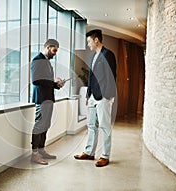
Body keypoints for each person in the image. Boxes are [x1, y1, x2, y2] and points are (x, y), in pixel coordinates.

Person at [74, 29, 117, 167]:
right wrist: (88, 95)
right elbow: (91, 77)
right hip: (92, 96)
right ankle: (89, 152)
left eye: (89, 41)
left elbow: (112, 76)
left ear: (96, 40)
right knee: (91, 125)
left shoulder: (108, 55)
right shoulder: (93, 56)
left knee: (104, 126)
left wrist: (109, 96)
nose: (88, 44)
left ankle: (105, 155)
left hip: (104, 96)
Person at [30, 39, 65, 165]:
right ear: (48, 47)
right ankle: (34, 154)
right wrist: (53, 83)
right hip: (41, 98)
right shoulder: (37, 60)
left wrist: (57, 85)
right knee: (39, 125)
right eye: (54, 50)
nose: (55, 53)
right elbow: (36, 80)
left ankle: (41, 150)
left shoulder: (46, 62)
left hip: (48, 97)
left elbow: (46, 80)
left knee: (45, 125)